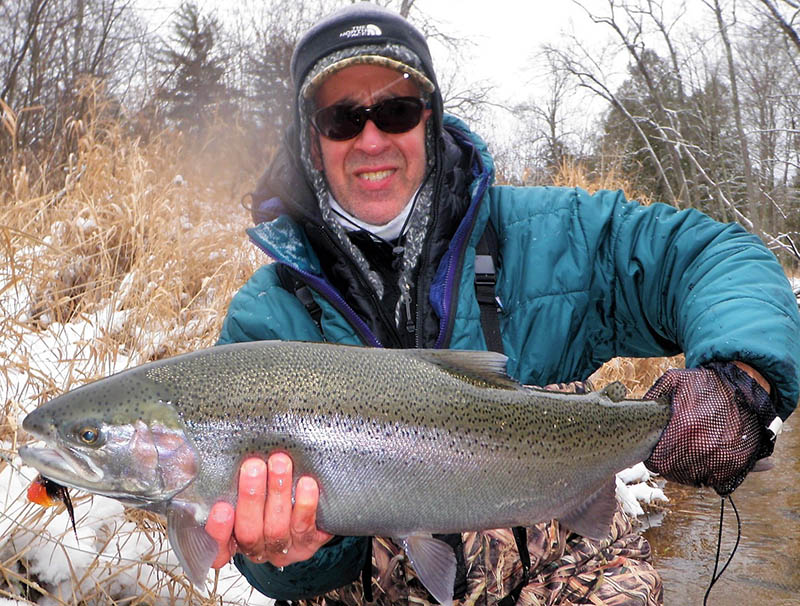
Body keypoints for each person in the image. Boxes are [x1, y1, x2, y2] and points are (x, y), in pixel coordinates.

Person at [203, 4, 800, 605]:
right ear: (311, 138)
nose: (373, 139)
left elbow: (714, 256)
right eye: (342, 119)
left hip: (558, 575)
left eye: (396, 110)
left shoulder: (547, 238)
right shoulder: (266, 319)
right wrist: (295, 553)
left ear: (430, 122)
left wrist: (743, 380)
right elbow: (278, 575)